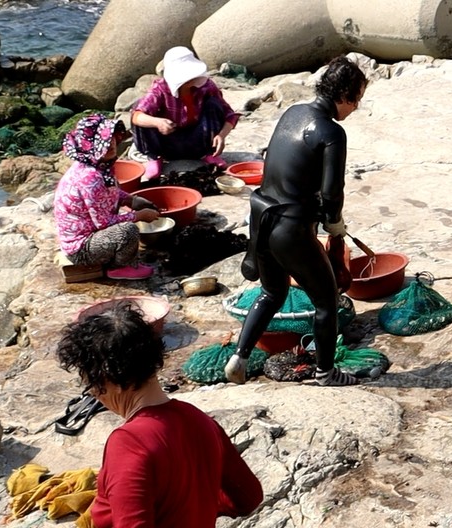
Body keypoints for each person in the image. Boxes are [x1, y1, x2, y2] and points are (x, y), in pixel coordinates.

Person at [224, 55, 367, 387]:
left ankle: (240, 357)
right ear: (344, 95)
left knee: (272, 292)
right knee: (326, 301)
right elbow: (333, 192)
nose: (356, 107)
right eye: (357, 99)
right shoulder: (331, 132)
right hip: (290, 228)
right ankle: (326, 373)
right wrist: (335, 228)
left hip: (261, 218)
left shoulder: (293, 113)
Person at [56, 302, 264, 527]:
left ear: (110, 378)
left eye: (91, 385)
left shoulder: (129, 443)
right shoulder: (200, 420)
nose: (95, 395)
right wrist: (196, 509)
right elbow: (248, 497)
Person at [53, 113, 159, 281]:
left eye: (111, 138)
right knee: (128, 231)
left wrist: (131, 200)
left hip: (91, 233)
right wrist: (139, 216)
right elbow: (103, 223)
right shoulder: (90, 178)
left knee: (124, 220)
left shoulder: (100, 166)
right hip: (82, 248)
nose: (111, 145)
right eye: (102, 142)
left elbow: (109, 193)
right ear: (88, 146)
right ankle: (120, 268)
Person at [131, 46, 241, 181]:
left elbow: (229, 114)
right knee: (140, 113)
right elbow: (137, 116)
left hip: (197, 143)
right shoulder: (160, 89)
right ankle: (154, 158)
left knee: (213, 104)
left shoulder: (206, 87)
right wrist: (158, 122)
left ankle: (209, 154)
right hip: (168, 145)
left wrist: (221, 135)